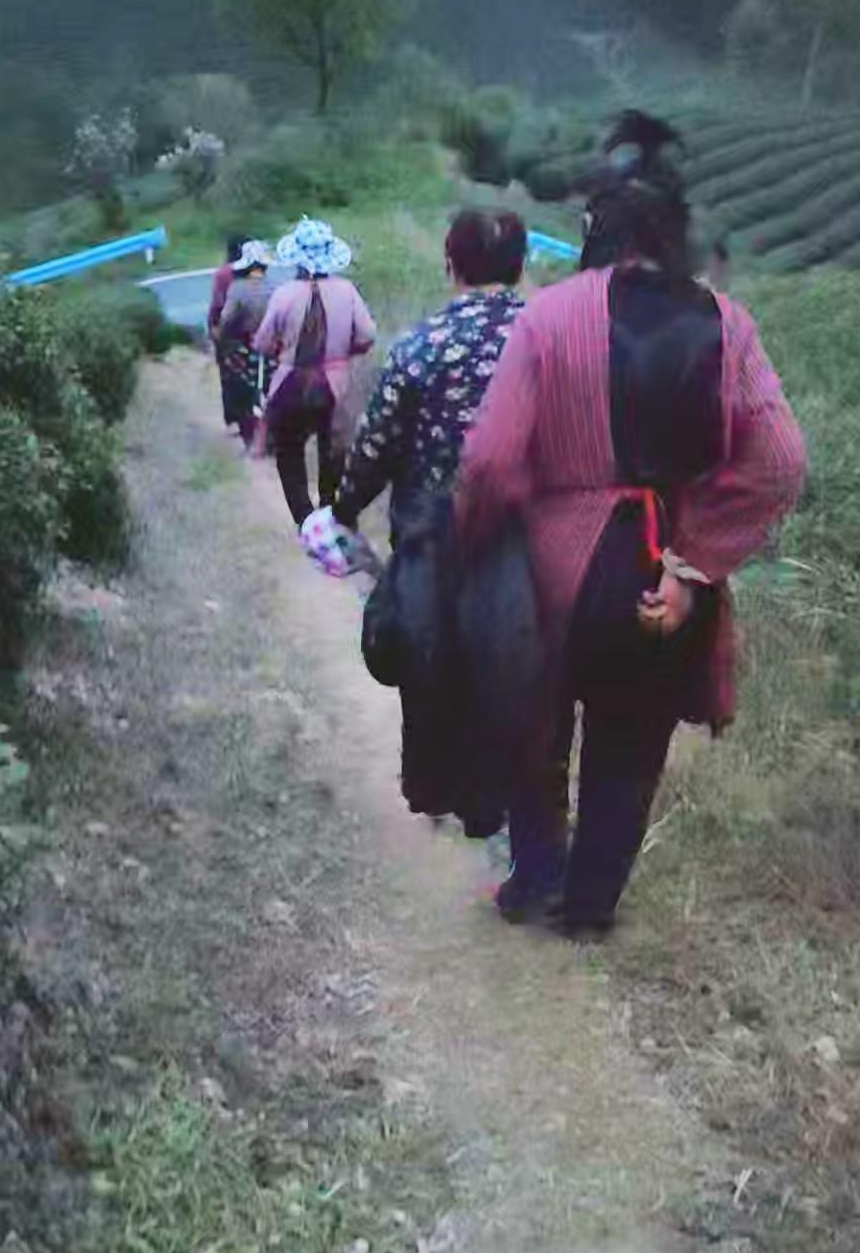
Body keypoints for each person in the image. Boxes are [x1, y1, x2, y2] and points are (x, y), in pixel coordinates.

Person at [456, 111, 806, 939]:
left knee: (537, 728)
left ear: (597, 226)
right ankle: (589, 910)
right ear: (675, 229)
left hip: (552, 576)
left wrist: (480, 537)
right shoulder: (727, 323)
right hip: (664, 577)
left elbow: (488, 461)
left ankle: (535, 877)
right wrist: (694, 562)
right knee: (630, 744)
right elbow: (782, 459)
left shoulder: (548, 317)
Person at [330, 210, 527, 542]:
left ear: (450, 264)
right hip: (522, 532)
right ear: (519, 267)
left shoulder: (422, 345)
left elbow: (377, 443)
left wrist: (346, 509)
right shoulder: (552, 341)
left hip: (429, 533)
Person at [254, 217, 376, 530]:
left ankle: (305, 519)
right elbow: (366, 335)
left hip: (291, 383)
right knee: (333, 449)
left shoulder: (284, 294)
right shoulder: (347, 291)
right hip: (335, 384)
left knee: (288, 450)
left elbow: (263, 342)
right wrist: (343, 354)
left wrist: (284, 353)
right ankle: (330, 509)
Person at [214, 239, 274, 447]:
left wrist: (220, 337)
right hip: (270, 349)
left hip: (243, 349)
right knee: (270, 389)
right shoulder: (273, 288)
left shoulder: (237, 289)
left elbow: (226, 319)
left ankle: (250, 437)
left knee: (242, 391)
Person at [208, 233, 248, 429]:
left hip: (228, 332)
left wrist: (213, 328)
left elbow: (217, 304)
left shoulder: (222, 274)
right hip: (249, 331)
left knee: (227, 375)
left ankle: (232, 417)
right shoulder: (253, 272)